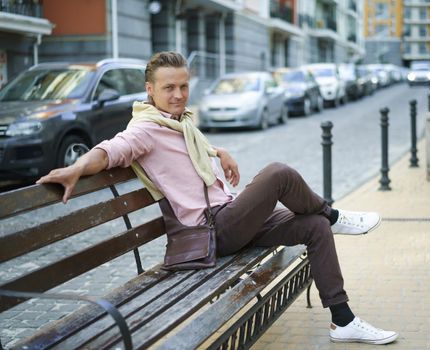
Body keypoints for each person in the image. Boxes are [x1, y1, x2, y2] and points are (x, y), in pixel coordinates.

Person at [37, 51, 398, 345]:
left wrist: (219, 151)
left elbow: (191, 152)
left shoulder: (181, 124)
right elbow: (109, 150)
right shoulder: (145, 130)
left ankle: (343, 319)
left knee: (314, 227)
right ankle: (335, 215)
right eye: (168, 88)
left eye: (183, 86)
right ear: (150, 90)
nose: (178, 95)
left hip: (231, 218)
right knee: (278, 173)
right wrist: (76, 168)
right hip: (213, 231)